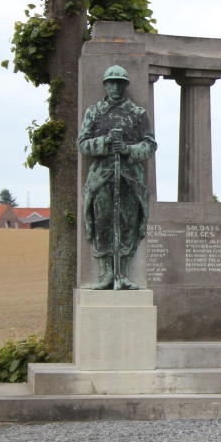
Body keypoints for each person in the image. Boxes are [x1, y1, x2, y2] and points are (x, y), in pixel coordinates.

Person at [77, 65, 157, 290]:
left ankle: (123, 273)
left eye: (119, 83)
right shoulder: (94, 112)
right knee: (102, 222)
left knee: (127, 224)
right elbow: (82, 144)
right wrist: (104, 143)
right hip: (102, 176)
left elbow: (150, 145)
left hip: (129, 177)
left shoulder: (137, 113)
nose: (115, 87)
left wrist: (128, 149)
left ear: (125, 86)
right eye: (111, 82)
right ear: (105, 85)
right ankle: (105, 274)